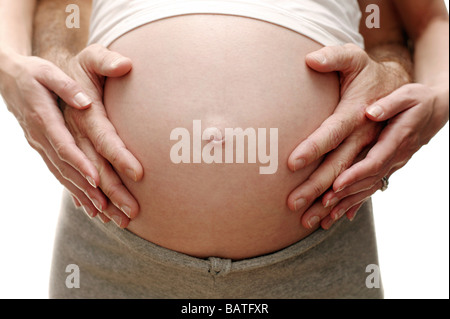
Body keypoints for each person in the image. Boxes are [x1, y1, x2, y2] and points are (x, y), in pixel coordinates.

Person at [0, 0, 447, 298]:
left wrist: (415, 90)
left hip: (319, 250)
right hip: (111, 245)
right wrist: (16, 71)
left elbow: (419, 25)